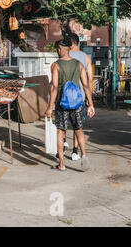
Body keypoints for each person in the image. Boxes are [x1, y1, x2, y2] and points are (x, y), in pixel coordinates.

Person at [45, 37, 95, 171]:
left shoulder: (56, 65)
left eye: (58, 48)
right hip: (77, 103)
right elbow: (85, 86)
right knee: (78, 130)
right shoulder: (79, 64)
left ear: (61, 49)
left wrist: (50, 107)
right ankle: (83, 155)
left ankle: (62, 164)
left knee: (61, 132)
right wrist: (90, 104)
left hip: (62, 104)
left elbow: (54, 88)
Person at [67, 33, 93, 160]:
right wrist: (89, 100)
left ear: (70, 44)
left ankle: (60, 149)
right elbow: (90, 80)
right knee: (77, 126)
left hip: (64, 97)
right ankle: (75, 152)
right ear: (77, 42)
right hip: (80, 97)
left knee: (62, 124)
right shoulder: (86, 57)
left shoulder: (64, 56)